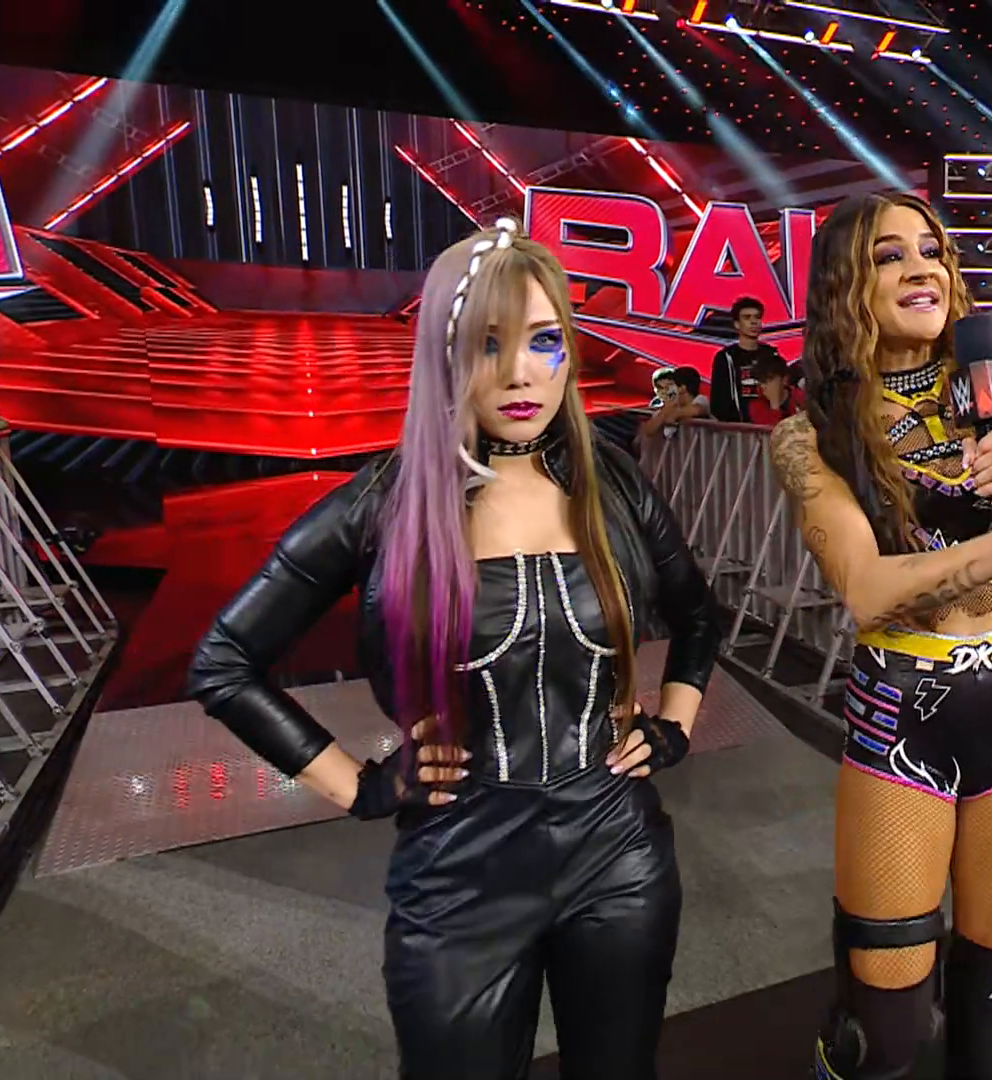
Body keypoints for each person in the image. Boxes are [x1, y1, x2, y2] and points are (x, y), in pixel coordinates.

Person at [186, 219, 721, 1079]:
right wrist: (362, 785)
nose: (520, 373)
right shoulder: (386, 502)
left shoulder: (612, 485)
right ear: (442, 352)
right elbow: (224, 661)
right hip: (458, 872)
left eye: (544, 340)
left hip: (618, 856)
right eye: (488, 344)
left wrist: (675, 729)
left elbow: (699, 616)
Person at [770, 191, 992, 1080]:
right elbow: (867, 591)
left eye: (931, 250)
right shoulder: (808, 434)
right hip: (904, 723)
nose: (921, 269)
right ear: (844, 285)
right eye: (888, 255)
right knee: (886, 1036)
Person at [708, 296, 773, 422]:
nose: (753, 322)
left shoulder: (770, 354)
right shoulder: (726, 357)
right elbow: (718, 403)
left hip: (769, 426)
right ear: (737, 324)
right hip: (738, 428)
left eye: (757, 317)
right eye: (747, 317)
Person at [745, 351, 804, 425]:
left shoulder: (801, 399)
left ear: (784, 380)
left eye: (769, 380)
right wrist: (775, 405)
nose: (763, 386)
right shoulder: (756, 405)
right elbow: (769, 430)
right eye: (762, 381)